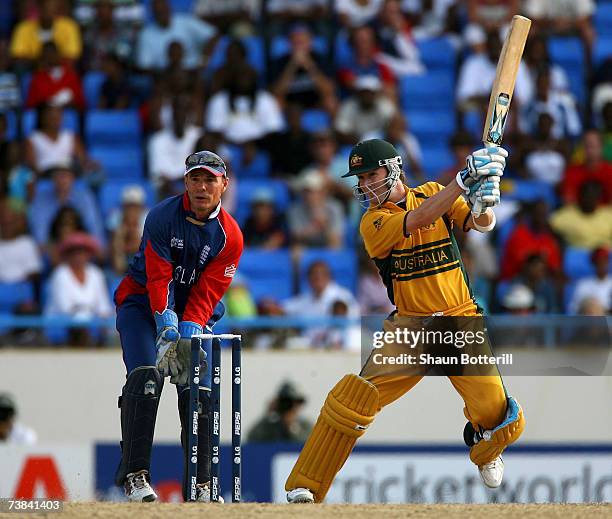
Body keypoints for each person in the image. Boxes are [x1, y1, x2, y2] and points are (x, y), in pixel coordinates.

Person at [285, 139, 524, 503]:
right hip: (412, 328)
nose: (364, 184)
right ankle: (307, 485)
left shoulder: (430, 191)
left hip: (460, 320)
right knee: (353, 399)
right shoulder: (373, 221)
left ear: (394, 169)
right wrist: (462, 180)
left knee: (496, 412)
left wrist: (485, 199)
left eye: (371, 175)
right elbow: (420, 218)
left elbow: (482, 223)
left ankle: (483, 446)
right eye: (360, 178)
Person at [113, 151, 243, 502]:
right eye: (195, 179)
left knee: (196, 389)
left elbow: (208, 292)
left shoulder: (231, 236)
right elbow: (158, 277)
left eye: (210, 180)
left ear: (224, 185)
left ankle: (201, 485)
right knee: (146, 377)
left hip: (195, 314)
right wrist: (166, 325)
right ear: (185, 182)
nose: (202, 187)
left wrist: (188, 328)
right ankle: (135, 477)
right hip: (142, 306)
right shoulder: (160, 217)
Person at [44, 232, 112, 346]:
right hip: (64, 323)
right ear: (67, 255)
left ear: (88, 254)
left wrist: (101, 317)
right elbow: (64, 307)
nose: (78, 256)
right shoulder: (60, 274)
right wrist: (86, 314)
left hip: (91, 323)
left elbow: (103, 306)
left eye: (82, 252)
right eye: (74, 253)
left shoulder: (96, 274)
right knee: (79, 326)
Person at [248, 381, 313, 443]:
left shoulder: (306, 426)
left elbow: (311, 444)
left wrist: (292, 427)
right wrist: (267, 414)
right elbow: (252, 438)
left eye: (291, 402)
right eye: (284, 402)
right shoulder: (269, 427)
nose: (288, 405)